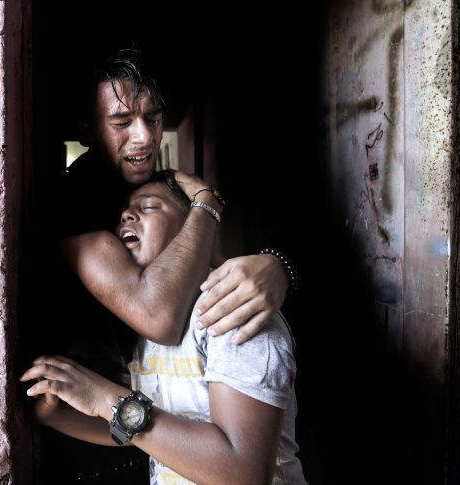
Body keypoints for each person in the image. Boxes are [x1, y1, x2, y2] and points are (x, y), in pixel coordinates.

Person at [30, 48, 299, 482]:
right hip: (105, 443)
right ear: (86, 127)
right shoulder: (74, 201)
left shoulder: (225, 318)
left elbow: (208, 269)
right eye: (121, 122)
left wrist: (278, 266)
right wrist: (207, 203)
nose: (143, 137)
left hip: (147, 429)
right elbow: (159, 316)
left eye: (153, 118)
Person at [22, 171, 307, 484]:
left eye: (148, 207)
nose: (127, 215)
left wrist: (104, 397)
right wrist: (57, 415)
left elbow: (243, 472)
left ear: (193, 230)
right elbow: (152, 430)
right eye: (124, 213)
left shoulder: (231, 307)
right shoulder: (150, 323)